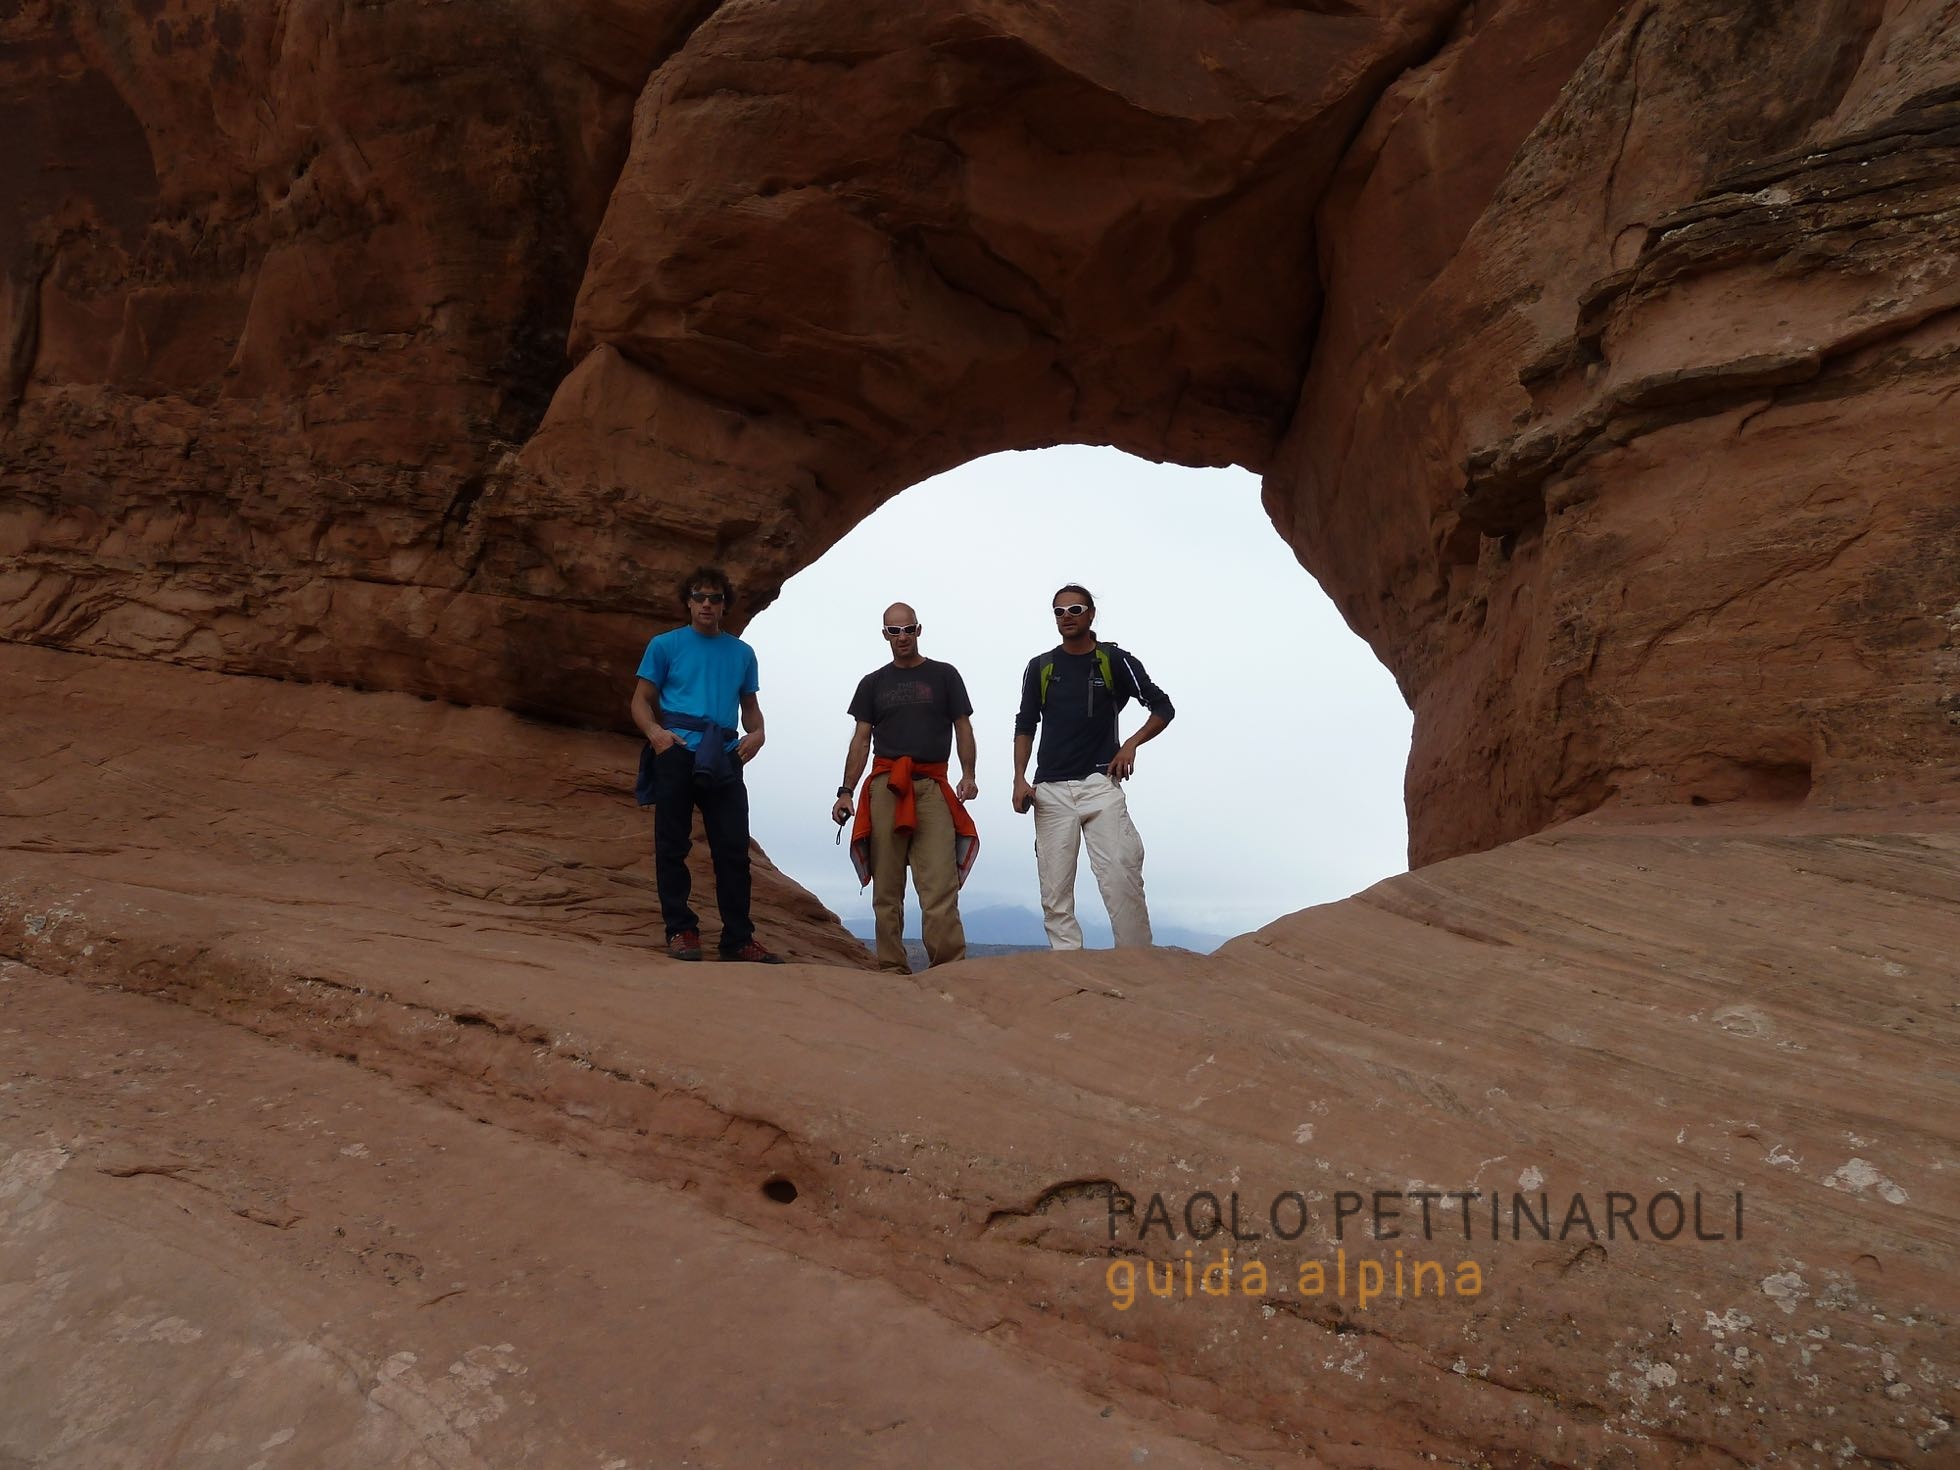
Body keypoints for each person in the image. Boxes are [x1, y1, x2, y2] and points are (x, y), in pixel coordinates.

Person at [629, 566, 784, 964]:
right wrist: (656, 735)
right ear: (688, 601)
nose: (707, 604)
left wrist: (759, 734)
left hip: (723, 754)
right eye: (700, 596)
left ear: (725, 605)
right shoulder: (665, 645)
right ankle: (681, 929)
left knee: (732, 848)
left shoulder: (741, 653)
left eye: (715, 598)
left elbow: (750, 709)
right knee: (672, 843)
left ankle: (737, 939)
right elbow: (640, 700)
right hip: (677, 749)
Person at [1011, 584, 1174, 949]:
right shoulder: (1040, 667)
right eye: (1059, 611)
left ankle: (1138, 965)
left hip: (1101, 783)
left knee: (1121, 874)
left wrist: (1131, 744)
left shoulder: (1115, 660)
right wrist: (1019, 779)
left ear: (1091, 614)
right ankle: (1072, 974)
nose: (1066, 616)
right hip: (1050, 790)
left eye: (1074, 609)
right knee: (1055, 893)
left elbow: (1162, 706)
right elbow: (1025, 723)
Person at [831, 603, 980, 974]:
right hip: (886, 787)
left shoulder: (944, 675)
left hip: (932, 785)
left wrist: (969, 774)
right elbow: (861, 740)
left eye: (908, 629)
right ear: (884, 634)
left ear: (919, 630)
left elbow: (963, 726)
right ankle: (891, 966)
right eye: (894, 631)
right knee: (887, 886)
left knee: (939, 884)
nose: (902, 637)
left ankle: (950, 968)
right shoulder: (873, 683)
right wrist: (845, 790)